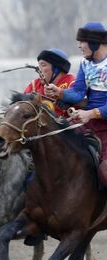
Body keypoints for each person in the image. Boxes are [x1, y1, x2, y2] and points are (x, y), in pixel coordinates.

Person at [46, 22, 107, 184]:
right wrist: (60, 92)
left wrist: (91, 113)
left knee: (105, 173)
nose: (79, 46)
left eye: (82, 41)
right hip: (89, 123)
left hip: (103, 126)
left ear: (94, 42)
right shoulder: (85, 63)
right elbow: (78, 92)